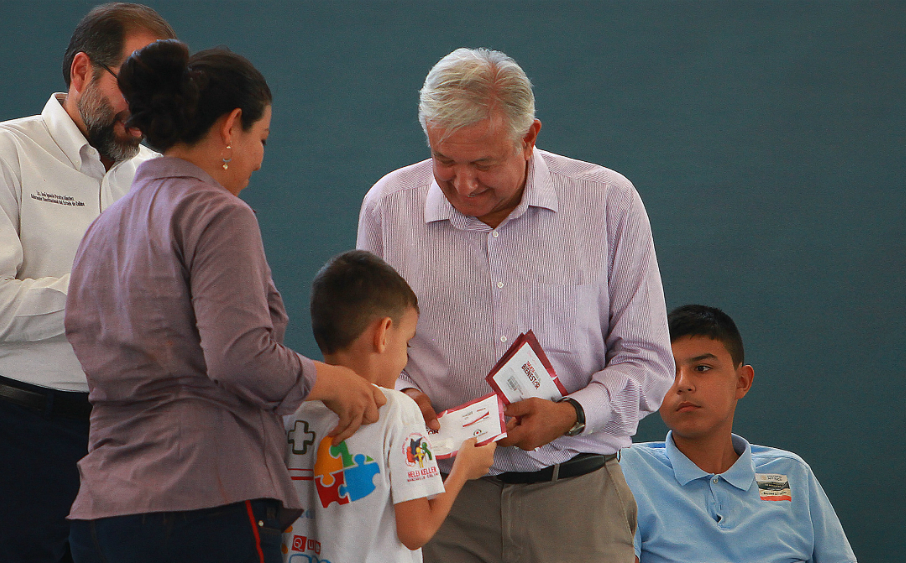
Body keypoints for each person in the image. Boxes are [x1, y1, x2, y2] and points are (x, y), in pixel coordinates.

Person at [62, 40, 385, 563]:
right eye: (262, 138)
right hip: (202, 505)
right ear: (231, 126)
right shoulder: (219, 213)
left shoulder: (104, 226)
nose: (260, 159)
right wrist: (336, 382)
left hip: (102, 513)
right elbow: (241, 358)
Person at [357, 47, 674, 562]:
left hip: (575, 500)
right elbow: (366, 350)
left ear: (529, 138)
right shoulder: (389, 207)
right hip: (436, 501)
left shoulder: (608, 202)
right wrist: (403, 396)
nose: (463, 184)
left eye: (483, 163)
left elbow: (650, 361)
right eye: (444, 160)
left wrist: (570, 414)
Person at [0, 4, 175, 561]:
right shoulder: (0, 154)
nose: (147, 112)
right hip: (12, 433)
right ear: (82, 71)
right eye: (136, 87)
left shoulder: (154, 176)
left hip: (127, 438)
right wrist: (113, 289)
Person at [283, 250, 496, 563]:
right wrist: (464, 467)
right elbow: (416, 532)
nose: (405, 358)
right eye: (407, 343)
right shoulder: (398, 410)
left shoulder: (293, 403)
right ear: (383, 334)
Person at [620, 305, 857, 563]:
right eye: (669, 371)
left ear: (742, 381)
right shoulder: (627, 470)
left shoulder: (792, 472)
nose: (682, 384)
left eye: (701, 368)